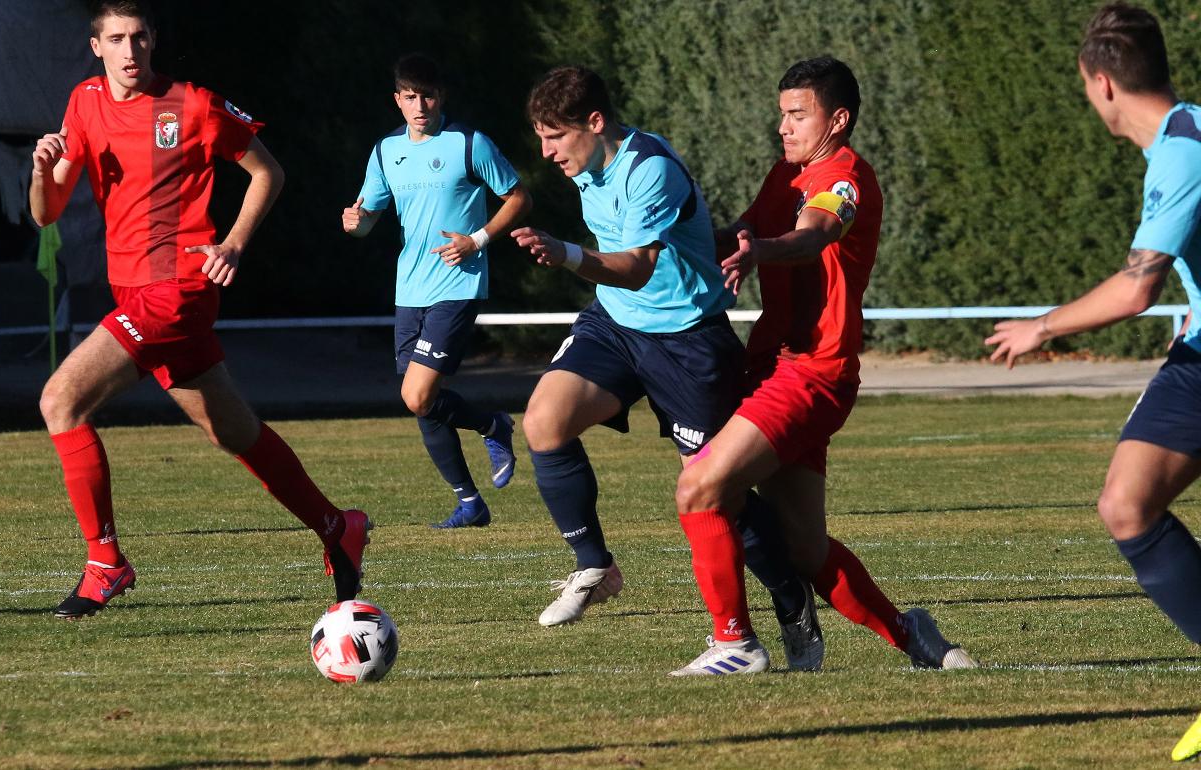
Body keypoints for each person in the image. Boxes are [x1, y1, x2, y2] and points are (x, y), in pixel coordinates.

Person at [30, 0, 368, 619]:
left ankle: (104, 562)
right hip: (133, 292)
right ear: (96, 47)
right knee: (232, 431)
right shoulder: (83, 102)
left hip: (178, 290)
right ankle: (336, 525)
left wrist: (233, 243)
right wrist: (41, 171)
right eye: (116, 39)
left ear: (154, 40)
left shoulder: (192, 103)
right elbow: (46, 212)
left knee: (60, 400)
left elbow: (268, 173)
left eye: (139, 37)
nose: (130, 50)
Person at [673, 56, 978, 674]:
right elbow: (742, 232)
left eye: (797, 115)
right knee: (806, 548)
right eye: (781, 114)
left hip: (814, 372)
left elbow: (813, 234)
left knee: (700, 486)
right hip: (771, 366)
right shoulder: (784, 175)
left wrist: (759, 251)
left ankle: (734, 644)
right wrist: (664, 237)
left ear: (837, 121)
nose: (782, 127)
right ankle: (914, 636)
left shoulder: (845, 177)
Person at [512, 65, 818, 676]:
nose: (547, 153)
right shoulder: (587, 163)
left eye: (555, 137)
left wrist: (564, 253)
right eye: (541, 138)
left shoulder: (649, 168)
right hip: (616, 325)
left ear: (595, 122)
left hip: (687, 340)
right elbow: (622, 284)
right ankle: (594, 565)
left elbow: (635, 269)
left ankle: (791, 594)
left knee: (715, 493)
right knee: (544, 421)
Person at [985, 4, 1201, 760]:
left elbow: (1137, 289)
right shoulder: (1185, 136)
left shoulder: (1183, 152)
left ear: (1102, 83)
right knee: (1126, 503)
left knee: (1128, 504)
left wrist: (1041, 327)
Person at [343, 54, 531, 529]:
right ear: (398, 100)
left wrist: (478, 240)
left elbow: (519, 197)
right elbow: (367, 221)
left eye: (427, 96)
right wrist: (355, 223)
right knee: (421, 402)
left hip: (458, 283)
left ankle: (493, 425)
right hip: (409, 290)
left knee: (417, 393)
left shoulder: (469, 143)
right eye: (410, 97)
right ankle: (470, 502)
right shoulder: (386, 151)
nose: (420, 106)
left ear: (440, 96)